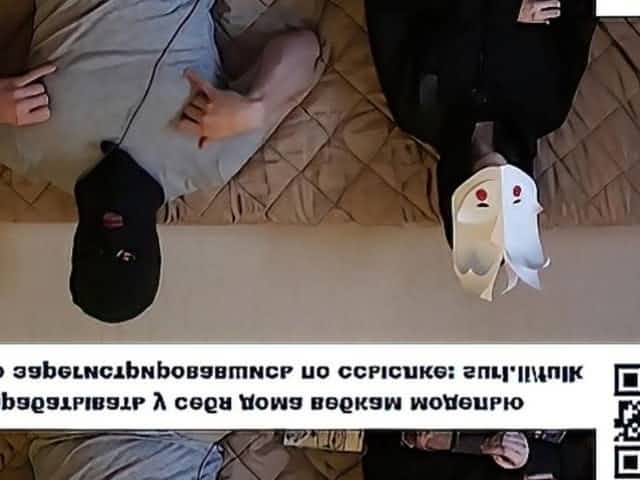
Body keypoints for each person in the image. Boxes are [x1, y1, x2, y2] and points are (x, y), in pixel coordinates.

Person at [0, 0, 321, 323]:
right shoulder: (209, 161)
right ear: (152, 252)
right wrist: (256, 108)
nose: (111, 238)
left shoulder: (26, 151)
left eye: (95, 253)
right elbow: (307, 48)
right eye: (127, 256)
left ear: (75, 249)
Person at [364, 0, 597, 247]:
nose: (496, 198)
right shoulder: (546, 110)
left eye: (484, 209)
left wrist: (501, 11)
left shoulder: (418, 112)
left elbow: (386, 9)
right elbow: (582, 14)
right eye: (506, 211)